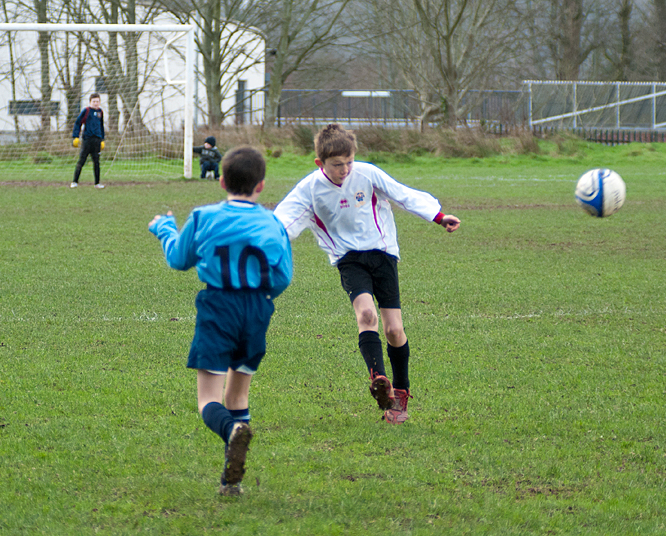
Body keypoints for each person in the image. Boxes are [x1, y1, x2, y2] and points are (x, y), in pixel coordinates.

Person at [273, 123, 460, 425]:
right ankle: (378, 380)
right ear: (320, 163)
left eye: (349, 161)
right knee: (366, 316)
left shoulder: (367, 174)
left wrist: (438, 216)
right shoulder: (310, 189)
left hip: (383, 253)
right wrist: (258, 244)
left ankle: (400, 392)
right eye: (337, 164)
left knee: (394, 331)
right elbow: (282, 220)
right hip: (349, 259)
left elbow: (403, 195)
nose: (345, 169)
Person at [148, 146, 293, 496]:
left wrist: (165, 228)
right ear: (261, 185)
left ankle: (230, 432)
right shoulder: (273, 221)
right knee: (238, 392)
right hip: (257, 309)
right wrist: (260, 297)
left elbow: (178, 260)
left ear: (222, 180)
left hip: (219, 307)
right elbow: (283, 276)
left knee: (208, 400)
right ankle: (231, 482)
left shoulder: (203, 217)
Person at [70, 93, 106, 189]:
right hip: (87, 140)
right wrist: (75, 137)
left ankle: (97, 183)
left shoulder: (100, 112)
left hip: (97, 140)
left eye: (97, 101)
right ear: (90, 102)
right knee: (81, 160)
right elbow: (78, 123)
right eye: (94, 101)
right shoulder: (86, 111)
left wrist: (102, 139)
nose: (96, 103)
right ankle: (75, 181)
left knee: (97, 162)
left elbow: (101, 126)